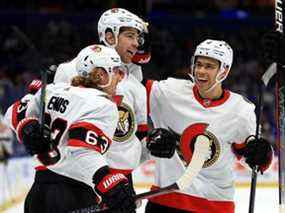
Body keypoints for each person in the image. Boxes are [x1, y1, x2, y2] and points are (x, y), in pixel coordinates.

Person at [144, 39, 273, 212]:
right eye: (198, 64)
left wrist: (263, 155)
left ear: (224, 70)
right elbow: (129, 91)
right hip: (165, 202)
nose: (201, 71)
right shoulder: (169, 92)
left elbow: (253, 162)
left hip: (215, 206)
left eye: (209, 66)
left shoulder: (240, 110)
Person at [5, 45, 137, 213]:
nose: (121, 77)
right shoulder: (103, 104)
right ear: (100, 75)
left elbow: (13, 113)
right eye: (117, 71)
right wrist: (107, 180)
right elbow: (82, 151)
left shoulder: (53, 89)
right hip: (74, 197)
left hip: (37, 195)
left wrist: (27, 127)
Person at [53, 8, 150, 196]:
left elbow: (137, 141)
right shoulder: (70, 71)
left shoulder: (136, 86)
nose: (136, 43)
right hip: (77, 181)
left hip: (119, 183)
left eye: (138, 38)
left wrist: (153, 146)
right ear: (110, 36)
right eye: (130, 36)